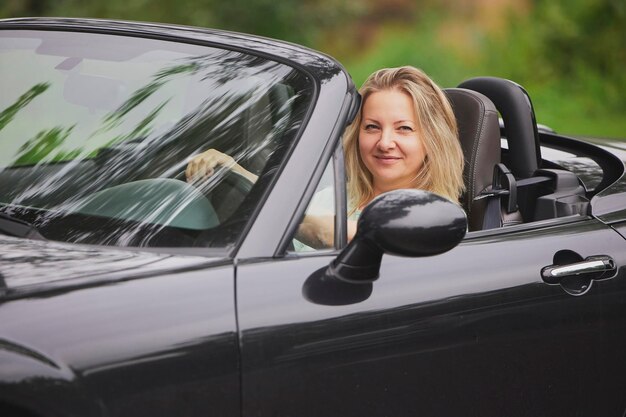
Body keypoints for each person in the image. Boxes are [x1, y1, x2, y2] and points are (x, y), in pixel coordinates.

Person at [186, 66, 465, 249]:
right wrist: (233, 171)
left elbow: (335, 234)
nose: (385, 142)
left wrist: (275, 211)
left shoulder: (436, 216)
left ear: (433, 140)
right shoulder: (333, 197)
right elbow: (294, 209)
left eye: (404, 128)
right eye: (372, 127)